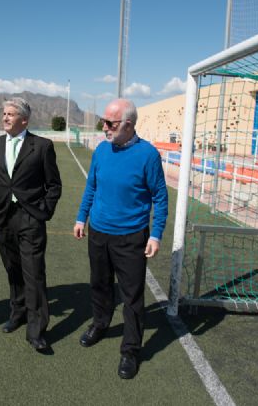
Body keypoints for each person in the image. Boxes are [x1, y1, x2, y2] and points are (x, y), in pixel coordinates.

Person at [73, 98, 168, 379]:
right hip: (99, 232)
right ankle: (100, 324)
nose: (104, 127)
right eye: (104, 121)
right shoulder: (101, 150)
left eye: (110, 123)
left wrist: (156, 234)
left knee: (132, 297)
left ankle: (130, 349)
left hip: (131, 238)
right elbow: (92, 186)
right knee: (100, 285)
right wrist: (82, 218)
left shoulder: (148, 154)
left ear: (128, 125)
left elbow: (160, 198)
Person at [0, 97, 62, 351]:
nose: (5, 117)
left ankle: (36, 329)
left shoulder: (42, 146)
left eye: (11, 114)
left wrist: (42, 212)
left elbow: (54, 185)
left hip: (30, 218)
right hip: (2, 217)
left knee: (33, 272)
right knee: (12, 268)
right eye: (4, 113)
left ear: (24, 120)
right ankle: (17, 313)